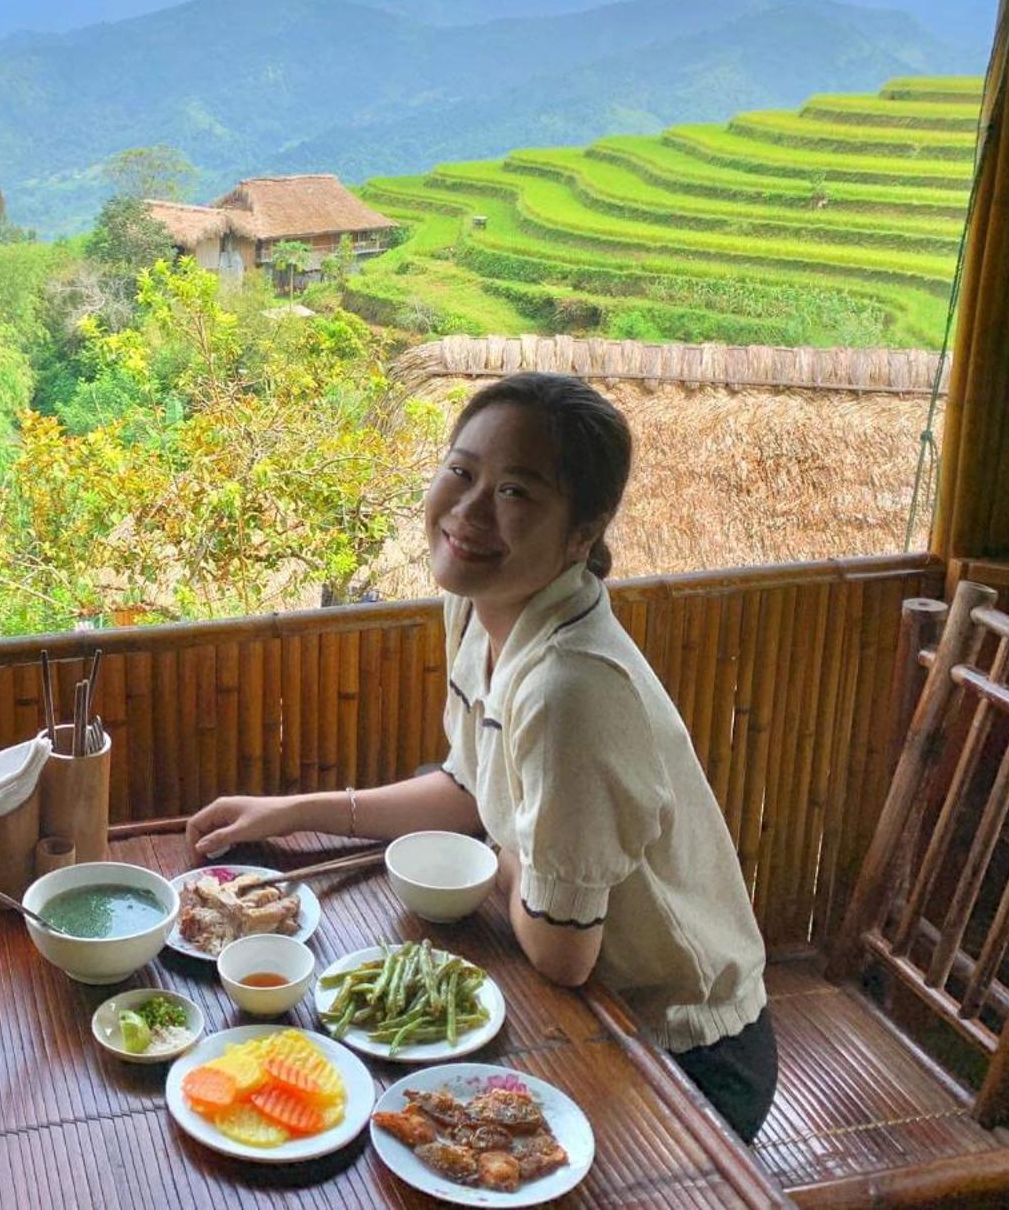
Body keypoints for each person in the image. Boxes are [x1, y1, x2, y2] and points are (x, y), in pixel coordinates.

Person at [186, 373, 775, 1142]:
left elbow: (563, 951)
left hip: (680, 1053)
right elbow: (467, 785)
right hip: (589, 1012)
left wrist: (500, 853)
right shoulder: (481, 605)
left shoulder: (571, 688)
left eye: (517, 492)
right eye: (462, 472)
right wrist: (297, 813)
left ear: (582, 533)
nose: (467, 511)